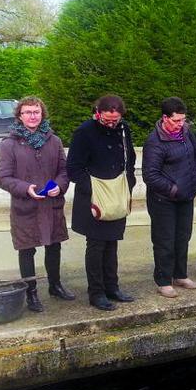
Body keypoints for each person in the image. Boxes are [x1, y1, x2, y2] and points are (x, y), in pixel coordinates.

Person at [0, 97, 74, 313]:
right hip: (25, 206)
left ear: (42, 114)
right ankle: (31, 292)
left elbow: (64, 171)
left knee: (54, 246)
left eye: (36, 112)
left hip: (51, 204)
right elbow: (2, 178)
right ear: (19, 116)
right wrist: (25, 188)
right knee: (26, 250)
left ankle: (55, 286)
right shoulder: (9, 144)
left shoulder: (54, 141)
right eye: (28, 112)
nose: (32, 116)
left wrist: (59, 185)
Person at [67, 95, 137, 311]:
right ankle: (96, 293)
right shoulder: (84, 131)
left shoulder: (123, 129)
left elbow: (130, 159)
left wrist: (129, 182)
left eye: (115, 120)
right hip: (94, 197)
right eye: (107, 120)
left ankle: (112, 287)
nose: (111, 124)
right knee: (96, 246)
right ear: (98, 113)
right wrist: (94, 188)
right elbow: (73, 168)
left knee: (112, 243)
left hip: (117, 194)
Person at [143, 97, 196, 298]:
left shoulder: (186, 132)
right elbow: (150, 175)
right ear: (164, 118)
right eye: (176, 121)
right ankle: (163, 280)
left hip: (186, 196)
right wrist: (173, 189)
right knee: (165, 240)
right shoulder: (154, 142)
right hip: (163, 200)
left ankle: (180, 275)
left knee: (183, 237)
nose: (181, 124)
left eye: (183, 120)